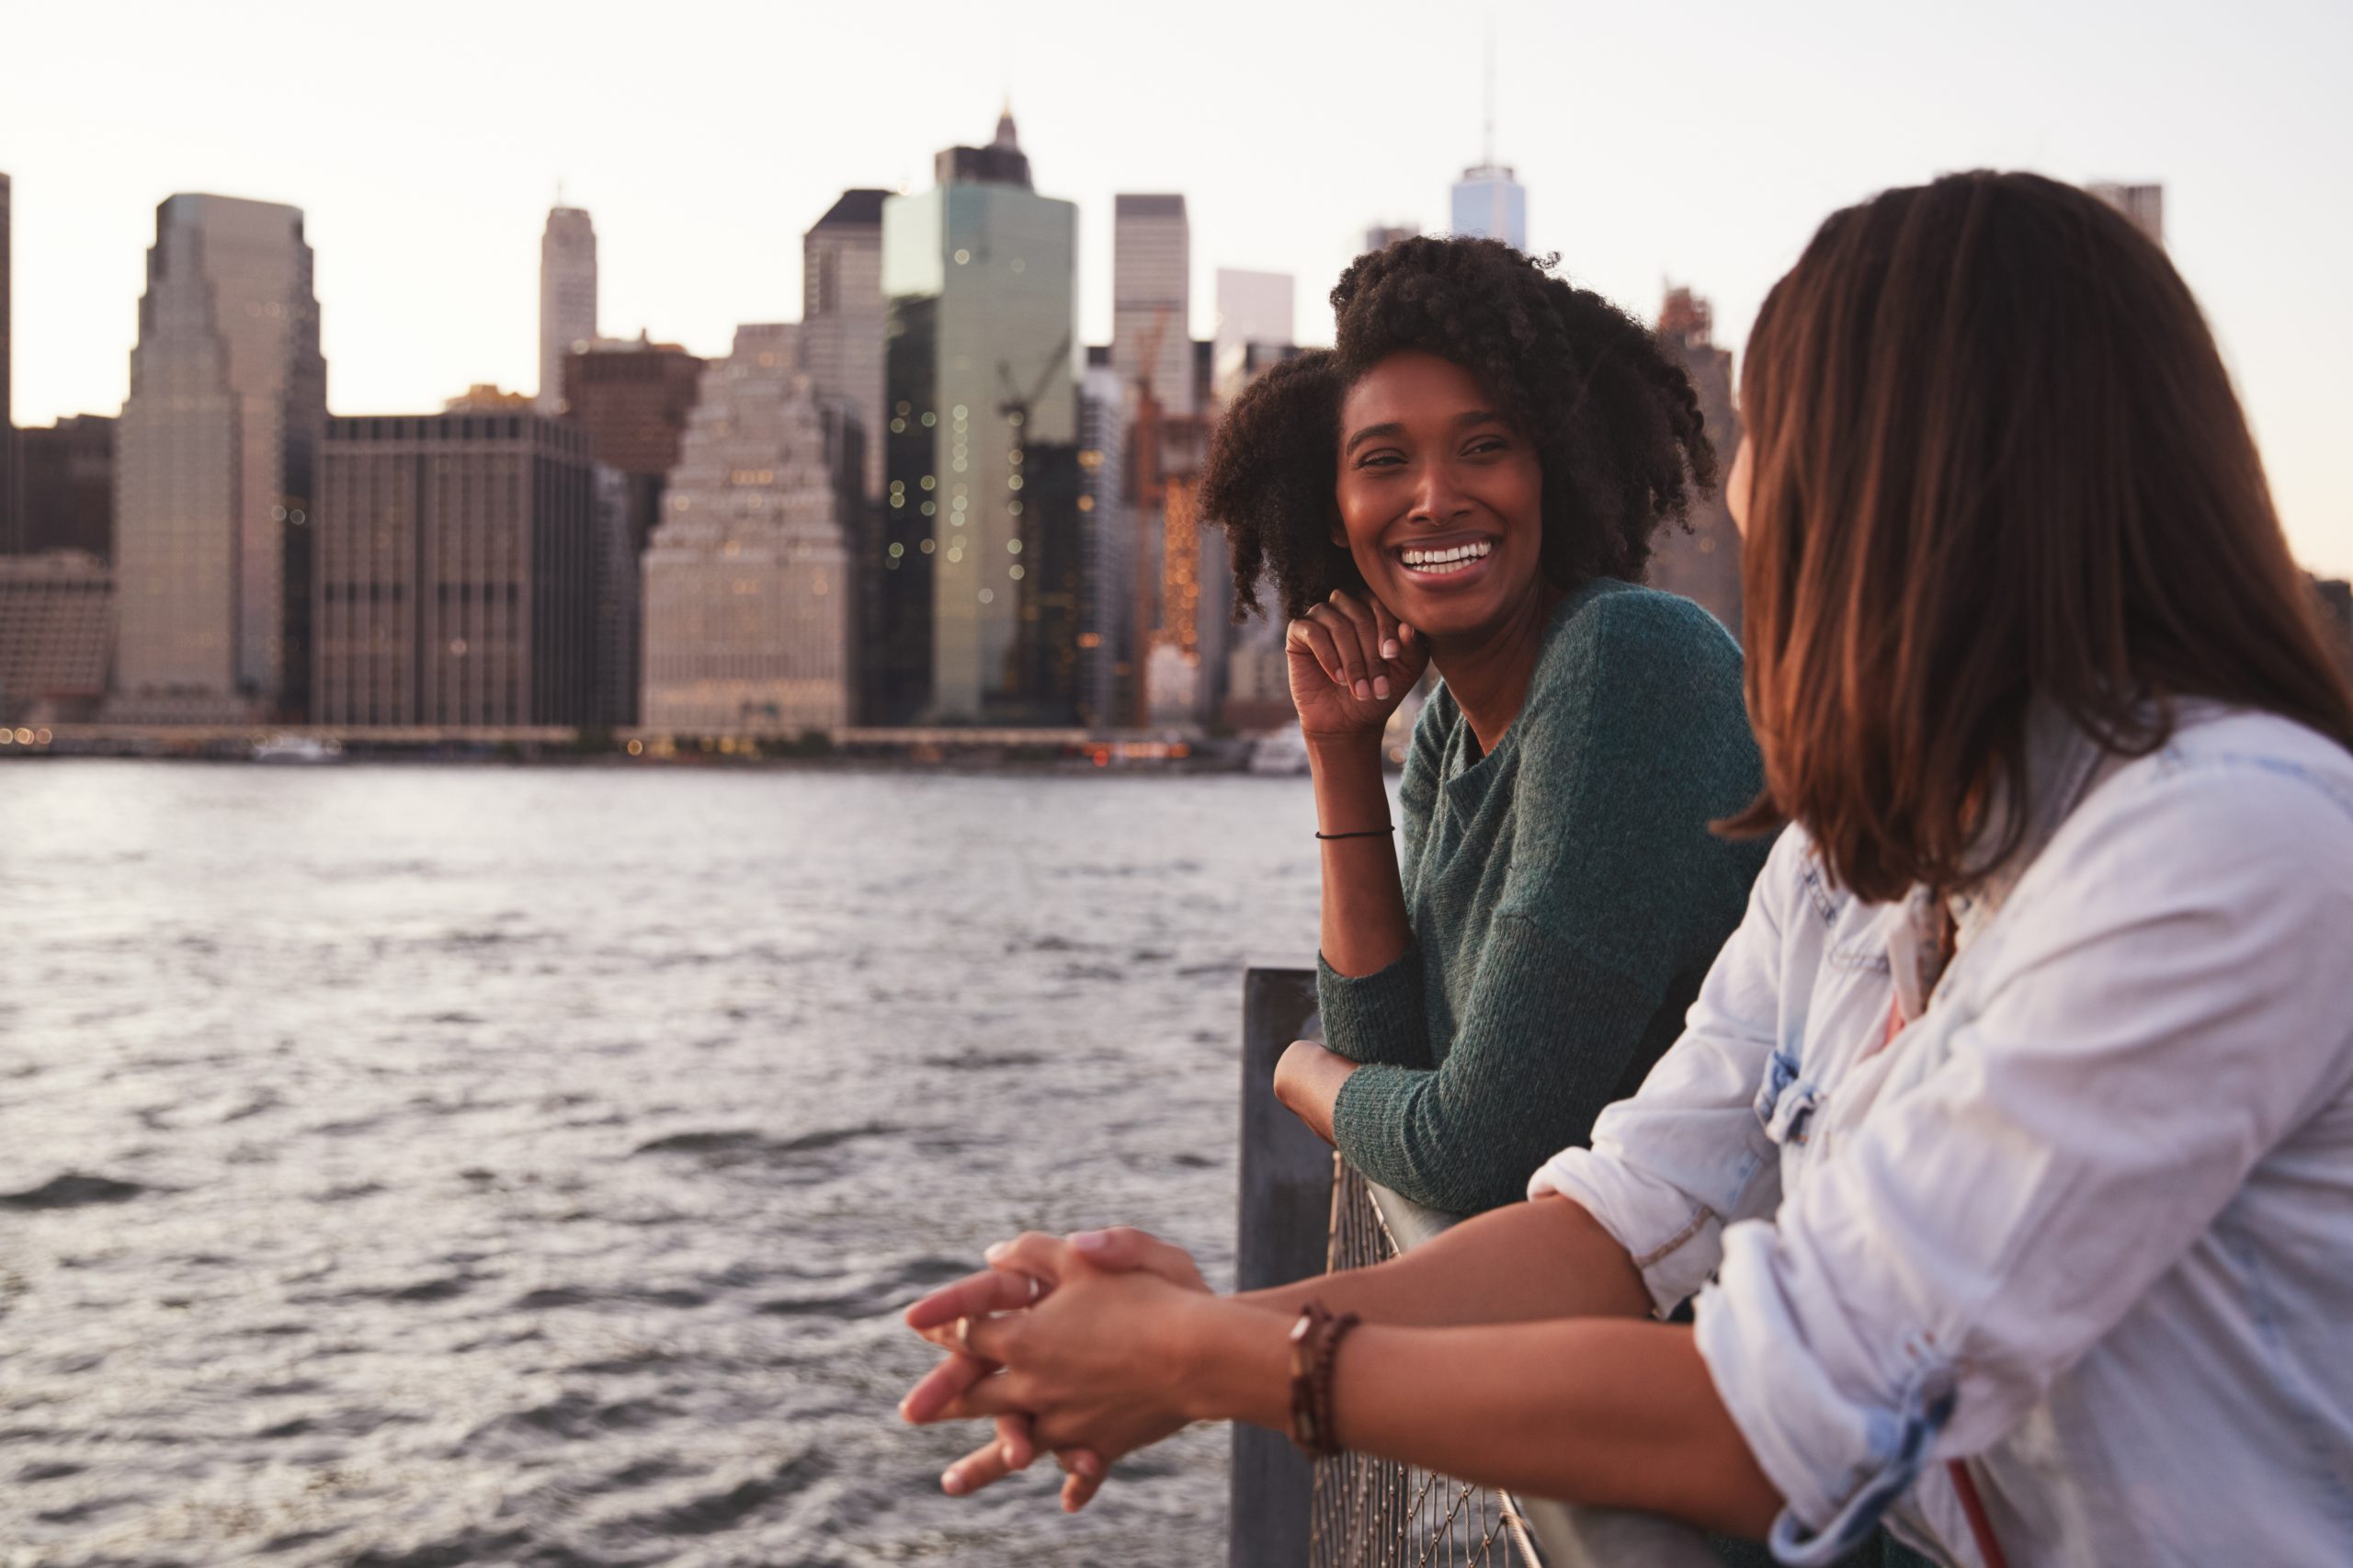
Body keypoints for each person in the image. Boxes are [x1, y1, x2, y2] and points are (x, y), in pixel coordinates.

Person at [896, 171, 2353, 1566]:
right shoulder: (1863, 871)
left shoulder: (2224, 847)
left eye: (1775, 434)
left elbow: (1787, 1409)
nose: (1744, 491)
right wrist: (1206, 1338)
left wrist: (1218, 1351)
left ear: (1912, 479)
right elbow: (1605, 1221)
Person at [1198, 235, 1768, 1218]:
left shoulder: (1626, 660)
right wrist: (1338, 750)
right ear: (1335, 512)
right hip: (1568, 1314)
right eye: (1384, 461)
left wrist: (1302, 1075)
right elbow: (1395, 1057)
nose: (1434, 497)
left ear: (1551, 467)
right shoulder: (1445, 734)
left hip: (1711, 1333)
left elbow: (1473, 1152)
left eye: (1484, 446)